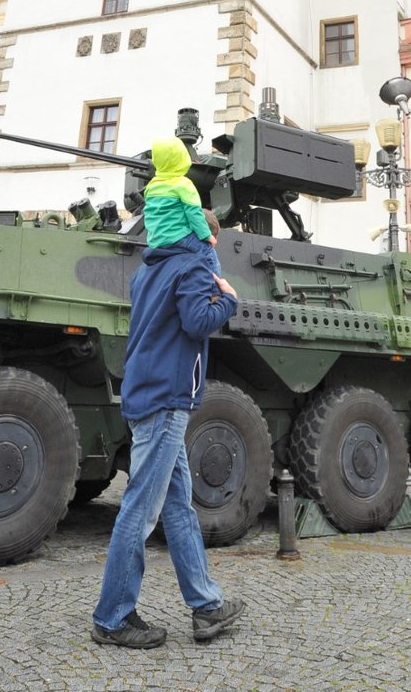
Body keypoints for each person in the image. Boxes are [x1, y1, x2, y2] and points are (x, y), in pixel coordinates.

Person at [91, 195, 245, 649]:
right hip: (167, 399)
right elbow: (198, 321)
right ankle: (112, 617)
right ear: (204, 235)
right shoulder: (194, 266)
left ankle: (207, 608)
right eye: (212, 240)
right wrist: (228, 299)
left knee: (178, 508)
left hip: (146, 392)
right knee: (140, 509)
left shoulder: (147, 270)